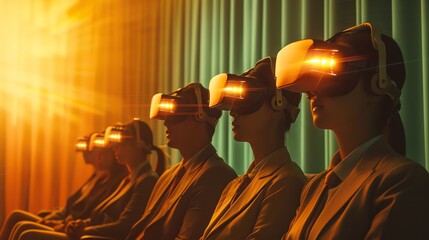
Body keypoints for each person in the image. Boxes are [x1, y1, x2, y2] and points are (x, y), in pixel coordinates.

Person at [276, 23, 429, 239]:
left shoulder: (403, 181)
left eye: (334, 73)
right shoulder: (315, 187)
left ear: (379, 84)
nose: (315, 89)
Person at [200, 57, 307, 240]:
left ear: (278, 104)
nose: (233, 112)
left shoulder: (286, 181)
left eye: (247, 100)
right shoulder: (233, 186)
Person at [15, 119, 165, 240]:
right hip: (88, 232)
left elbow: (124, 227)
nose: (115, 149)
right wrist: (78, 225)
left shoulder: (147, 180)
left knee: (26, 233)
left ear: (139, 145)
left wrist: (83, 230)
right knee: (22, 226)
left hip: (94, 236)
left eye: (121, 143)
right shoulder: (130, 179)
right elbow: (99, 216)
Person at [125, 83, 237, 240]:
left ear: (200, 116)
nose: (166, 123)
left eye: (176, 114)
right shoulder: (167, 176)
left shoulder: (216, 174)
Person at [0, 132, 127, 240]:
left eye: (101, 152)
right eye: (94, 150)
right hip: (66, 221)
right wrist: (51, 217)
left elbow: (90, 216)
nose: (95, 155)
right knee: (16, 216)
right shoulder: (97, 178)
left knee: (24, 229)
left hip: (71, 227)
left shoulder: (115, 183)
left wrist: (60, 222)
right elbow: (71, 207)